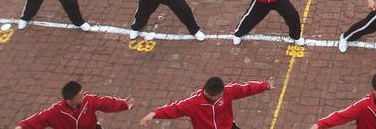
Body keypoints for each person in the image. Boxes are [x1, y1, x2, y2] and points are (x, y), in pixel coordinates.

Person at [140, 76, 272, 127]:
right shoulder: (192, 103)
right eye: (221, 95)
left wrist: (265, 86)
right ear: (214, 95)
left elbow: (245, 89)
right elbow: (175, 109)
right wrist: (154, 114)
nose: (222, 96)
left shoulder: (227, 91)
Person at [14, 81, 133, 129]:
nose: (84, 96)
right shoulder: (56, 111)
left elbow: (106, 103)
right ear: (70, 100)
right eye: (80, 96)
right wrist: (21, 127)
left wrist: (123, 104)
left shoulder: (88, 100)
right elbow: (38, 119)